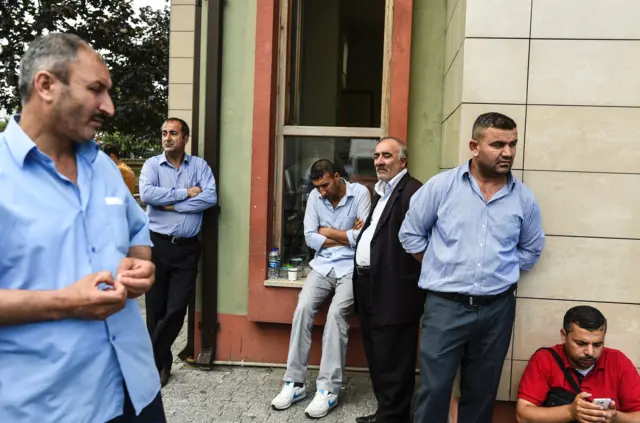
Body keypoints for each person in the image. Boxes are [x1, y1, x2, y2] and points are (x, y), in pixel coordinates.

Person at [0, 33, 164, 422]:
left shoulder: (104, 167)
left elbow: (138, 234)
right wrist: (65, 303)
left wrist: (140, 265)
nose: (108, 106)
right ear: (46, 85)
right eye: (96, 90)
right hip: (50, 406)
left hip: (137, 390)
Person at [399, 112, 545, 423]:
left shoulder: (523, 198)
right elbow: (410, 235)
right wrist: (441, 265)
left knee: (482, 393)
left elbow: (531, 249)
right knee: (434, 390)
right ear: (474, 146)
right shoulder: (442, 187)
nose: (508, 152)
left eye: (512, 144)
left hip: (497, 310)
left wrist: (498, 270)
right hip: (445, 308)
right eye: (498, 144)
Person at [271, 159, 371, 419]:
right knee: (302, 309)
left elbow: (362, 238)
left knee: (337, 315)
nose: (322, 191)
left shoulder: (360, 193)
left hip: (350, 269)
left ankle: (328, 388)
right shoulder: (315, 196)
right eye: (318, 187)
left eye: (325, 185)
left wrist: (328, 232)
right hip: (322, 267)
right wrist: (345, 234)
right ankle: (294, 383)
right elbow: (309, 237)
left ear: (337, 176)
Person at [139, 117, 217, 386]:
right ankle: (161, 366)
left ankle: (148, 357)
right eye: (164, 133)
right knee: (155, 309)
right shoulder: (152, 165)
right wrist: (186, 193)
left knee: (176, 309)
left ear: (186, 138)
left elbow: (210, 198)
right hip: (157, 246)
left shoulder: (199, 166)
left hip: (186, 249)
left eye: (173, 133)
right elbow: (148, 195)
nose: (167, 137)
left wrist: (172, 204)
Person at [353, 137, 424, 423]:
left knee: (395, 356)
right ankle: (386, 412)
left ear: (402, 161)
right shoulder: (382, 191)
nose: (379, 161)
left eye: (387, 156)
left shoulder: (412, 192)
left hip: (395, 289)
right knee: (378, 352)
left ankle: (395, 417)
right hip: (369, 285)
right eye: (376, 156)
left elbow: (421, 241)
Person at [517, 306, 640, 423]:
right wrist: (570, 412)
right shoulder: (545, 359)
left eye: (597, 345)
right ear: (564, 336)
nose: (590, 352)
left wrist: (615, 417)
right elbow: (523, 415)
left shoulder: (617, 361)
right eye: (581, 343)